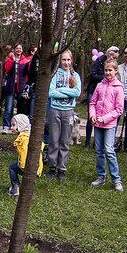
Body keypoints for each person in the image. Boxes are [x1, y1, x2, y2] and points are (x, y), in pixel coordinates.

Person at [89, 59, 124, 192]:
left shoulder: (118, 88)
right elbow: (93, 103)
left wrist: (105, 118)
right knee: (99, 151)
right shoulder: (100, 85)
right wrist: (93, 115)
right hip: (97, 123)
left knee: (109, 150)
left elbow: (119, 109)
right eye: (106, 70)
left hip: (109, 124)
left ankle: (116, 179)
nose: (108, 72)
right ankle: (101, 176)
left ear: (115, 71)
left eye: (110, 70)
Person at [47, 50, 81, 181]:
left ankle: (62, 169)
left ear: (71, 61)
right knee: (54, 140)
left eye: (68, 60)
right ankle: (52, 166)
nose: (66, 63)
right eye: (63, 60)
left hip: (68, 111)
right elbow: (51, 92)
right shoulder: (55, 74)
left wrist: (60, 90)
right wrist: (68, 92)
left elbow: (77, 92)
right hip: (55, 110)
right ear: (60, 61)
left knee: (64, 141)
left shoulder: (75, 76)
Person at [85, 46, 117, 147]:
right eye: (111, 54)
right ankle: (87, 142)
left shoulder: (113, 65)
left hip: (106, 93)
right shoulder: (98, 61)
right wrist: (103, 78)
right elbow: (92, 75)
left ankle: (97, 142)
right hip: (94, 89)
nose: (112, 56)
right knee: (91, 116)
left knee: (103, 116)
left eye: (114, 55)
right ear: (107, 53)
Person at [6, 113, 44, 197]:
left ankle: (15, 188)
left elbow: (24, 154)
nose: (11, 128)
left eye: (13, 125)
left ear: (21, 125)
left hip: (29, 167)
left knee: (12, 168)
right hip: (38, 167)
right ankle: (26, 189)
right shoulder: (32, 135)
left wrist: (24, 167)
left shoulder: (24, 139)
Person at [2, 43, 30, 132]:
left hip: (21, 86)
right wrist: (12, 61)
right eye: (17, 48)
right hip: (10, 86)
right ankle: (6, 126)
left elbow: (28, 73)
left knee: (21, 107)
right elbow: (6, 69)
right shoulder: (10, 59)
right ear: (14, 50)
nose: (18, 50)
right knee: (8, 107)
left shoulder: (25, 60)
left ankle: (20, 126)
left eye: (20, 48)